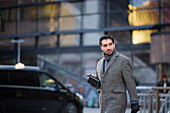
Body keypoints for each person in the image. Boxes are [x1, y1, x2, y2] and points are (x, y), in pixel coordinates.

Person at [87, 35, 140, 113]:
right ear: (101, 47)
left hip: (117, 102)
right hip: (103, 103)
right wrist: (93, 82)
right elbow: (99, 85)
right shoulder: (99, 63)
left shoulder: (123, 61)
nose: (108, 47)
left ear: (114, 45)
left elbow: (130, 83)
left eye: (110, 44)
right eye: (105, 45)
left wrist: (134, 101)